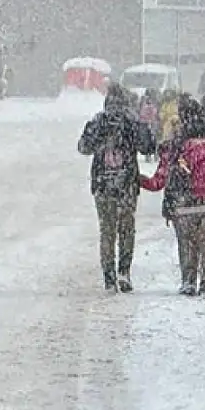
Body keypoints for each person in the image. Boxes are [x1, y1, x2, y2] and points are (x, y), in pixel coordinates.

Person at [139, 95, 205, 297]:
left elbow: (159, 181)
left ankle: (188, 281)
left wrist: (139, 180)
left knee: (186, 242)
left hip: (184, 204)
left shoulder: (174, 146)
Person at [78, 83, 157, 293]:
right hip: (127, 184)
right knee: (126, 229)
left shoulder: (98, 121)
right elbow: (148, 146)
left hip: (103, 184)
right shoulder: (131, 122)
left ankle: (109, 277)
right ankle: (124, 271)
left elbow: (83, 147)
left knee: (107, 231)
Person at [138, 89, 161, 162]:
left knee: (148, 140)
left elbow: (140, 111)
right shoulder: (154, 102)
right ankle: (154, 154)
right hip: (151, 122)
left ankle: (150, 154)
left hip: (145, 122)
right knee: (152, 139)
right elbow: (156, 112)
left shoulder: (143, 101)